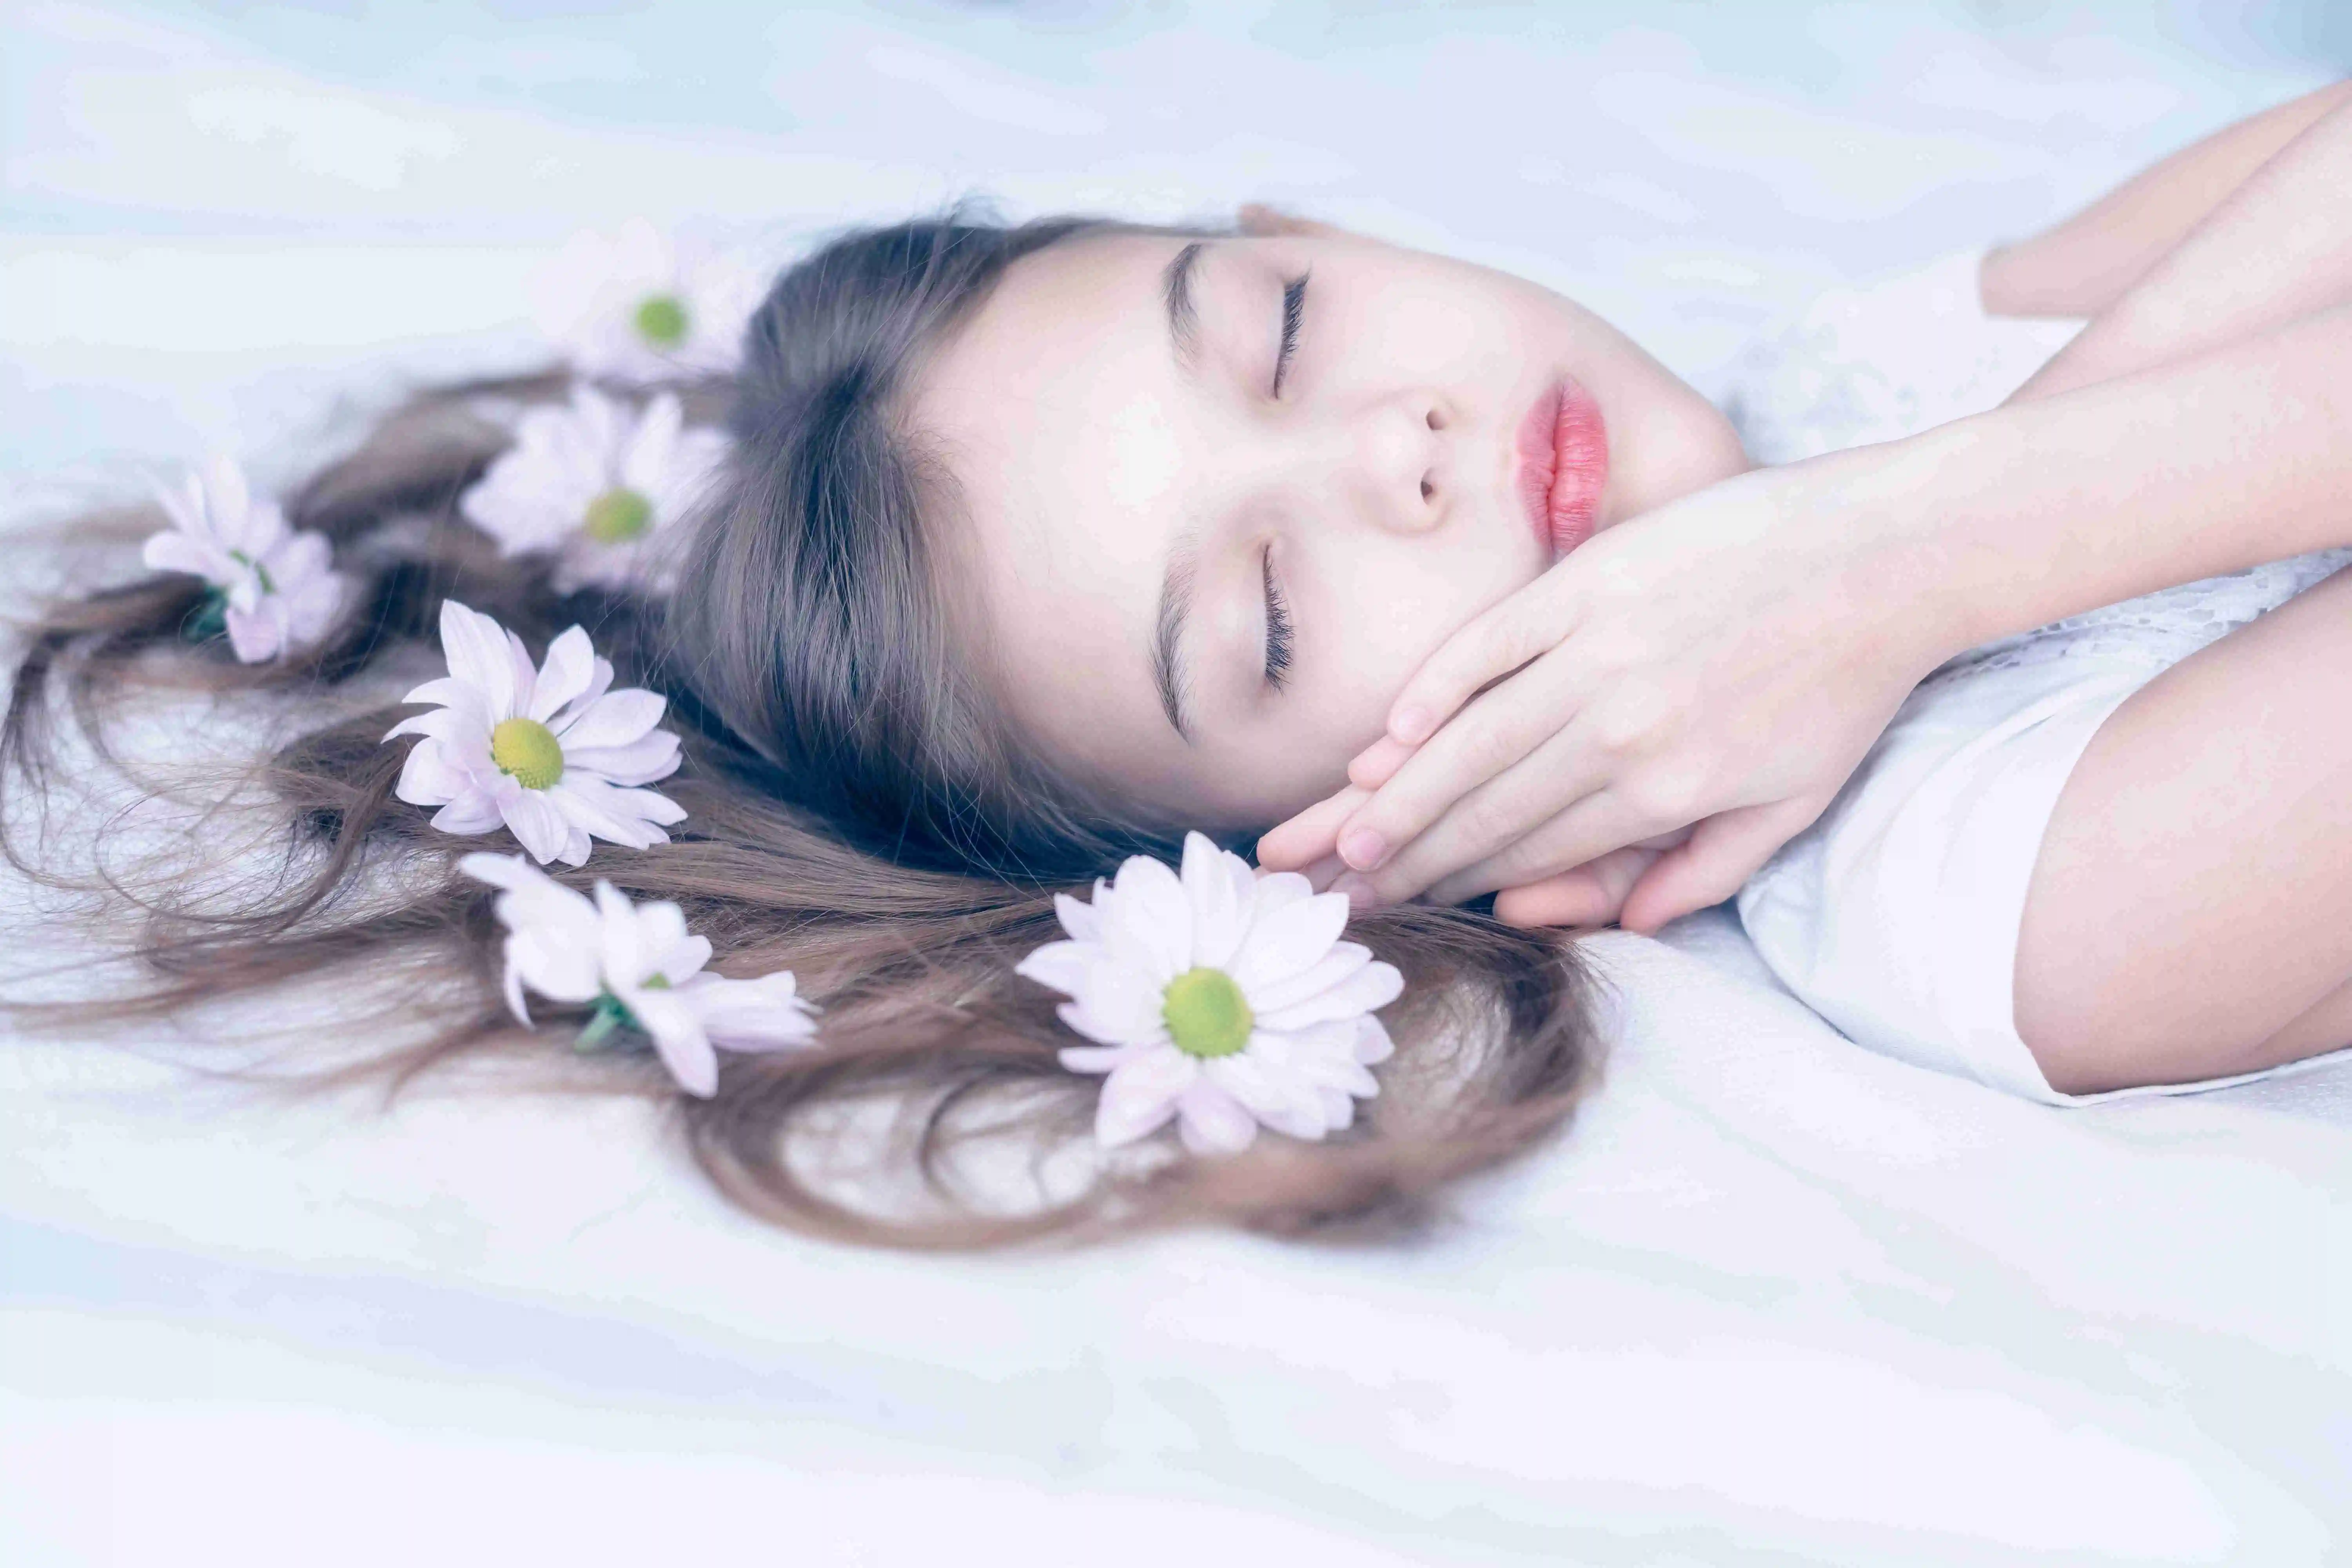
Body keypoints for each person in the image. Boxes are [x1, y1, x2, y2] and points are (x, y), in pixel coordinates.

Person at [9, 83, 2347, 1248]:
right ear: (1334, 858)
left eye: (1287, 330)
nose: (1400, 449)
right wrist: (1883, 576)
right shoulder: (2004, 898)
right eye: (1274, 621)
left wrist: (1895, 533)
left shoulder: (1853, 378)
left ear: (1323, 230)